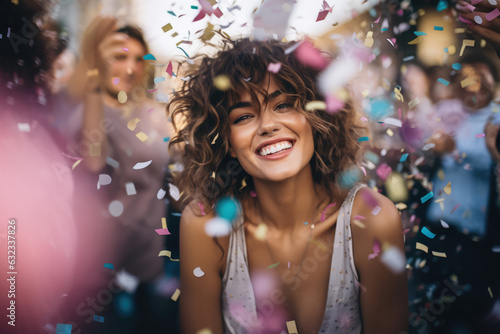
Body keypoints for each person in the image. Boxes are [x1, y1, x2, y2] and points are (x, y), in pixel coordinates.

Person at [168, 38, 408, 334]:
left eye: (283, 105)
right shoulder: (205, 224)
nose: (267, 125)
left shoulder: (373, 219)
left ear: (315, 116)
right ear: (227, 143)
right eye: (243, 116)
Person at [63, 16, 173, 333]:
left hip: (153, 266)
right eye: (120, 56)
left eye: (138, 59)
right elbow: (95, 162)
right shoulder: (87, 111)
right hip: (102, 273)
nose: (130, 68)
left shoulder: (155, 114)